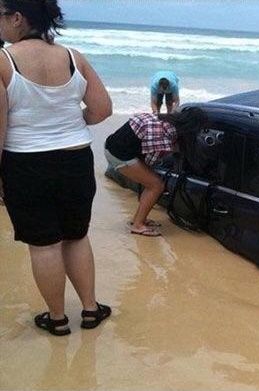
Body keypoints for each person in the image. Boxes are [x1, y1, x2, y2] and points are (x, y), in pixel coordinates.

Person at [0, 0, 112, 336]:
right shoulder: (73, 57)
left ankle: (58, 318)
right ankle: (91, 310)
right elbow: (102, 109)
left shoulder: (4, 61)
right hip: (76, 159)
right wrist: (68, 122)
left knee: (44, 244)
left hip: (27, 163)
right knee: (76, 237)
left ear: (18, 18)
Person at [104, 107, 207, 237]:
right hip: (118, 155)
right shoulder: (162, 137)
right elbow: (151, 162)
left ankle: (139, 219)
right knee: (156, 186)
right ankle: (138, 225)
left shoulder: (164, 120)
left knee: (152, 183)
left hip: (114, 144)